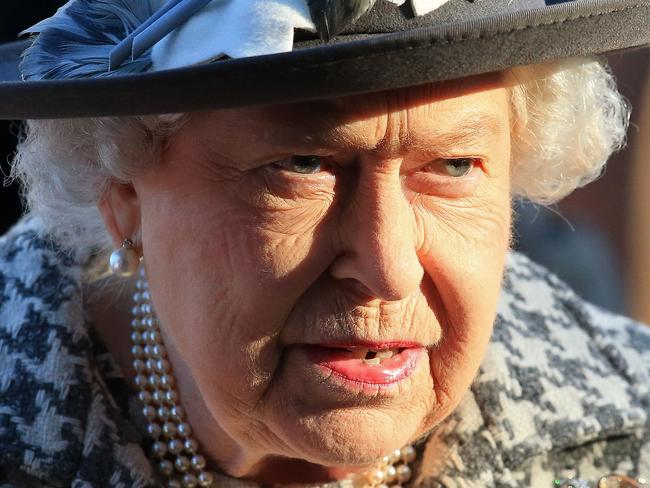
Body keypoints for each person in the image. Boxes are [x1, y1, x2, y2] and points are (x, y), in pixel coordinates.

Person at [0, 0, 648, 487]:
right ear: (123, 192)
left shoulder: (631, 426)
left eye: (453, 165)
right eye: (303, 164)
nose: (388, 269)